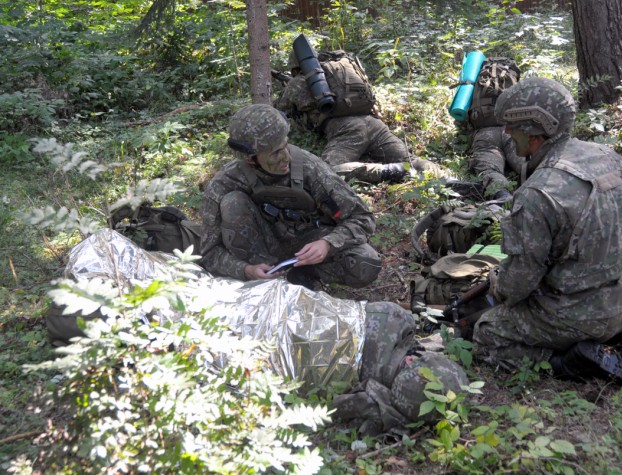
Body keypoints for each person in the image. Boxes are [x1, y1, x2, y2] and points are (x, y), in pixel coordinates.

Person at [48, 228, 469, 437]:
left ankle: (98, 292)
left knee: (181, 305)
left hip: (271, 317)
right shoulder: (372, 380)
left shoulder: (391, 324)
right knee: (187, 307)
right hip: (270, 312)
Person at [469, 77, 622, 384]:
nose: (508, 134)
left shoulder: (537, 192)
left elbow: (519, 283)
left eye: (512, 127)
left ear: (534, 129)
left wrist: (498, 285)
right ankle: (621, 336)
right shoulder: (605, 156)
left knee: (486, 333)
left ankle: (567, 362)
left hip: (574, 314)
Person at [199, 103, 382, 290]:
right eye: (275, 153)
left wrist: (327, 243)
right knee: (232, 202)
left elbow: (362, 218)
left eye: (285, 145)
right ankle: (267, 283)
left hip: (307, 244)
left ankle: (303, 276)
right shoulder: (224, 184)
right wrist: (246, 270)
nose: (286, 157)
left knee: (365, 263)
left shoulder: (310, 168)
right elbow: (209, 254)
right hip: (260, 253)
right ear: (250, 159)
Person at [276, 50, 442, 184]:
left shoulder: (297, 83)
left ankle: (385, 171)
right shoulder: (334, 72)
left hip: (348, 131)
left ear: (294, 66)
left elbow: (280, 112)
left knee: (327, 172)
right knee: (411, 160)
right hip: (374, 124)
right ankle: (444, 177)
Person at [458, 56, 528, 203]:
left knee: (489, 169)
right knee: (526, 163)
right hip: (512, 130)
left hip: (485, 134)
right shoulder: (513, 80)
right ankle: (544, 187)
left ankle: (502, 195)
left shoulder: (471, 83)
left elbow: (461, 116)